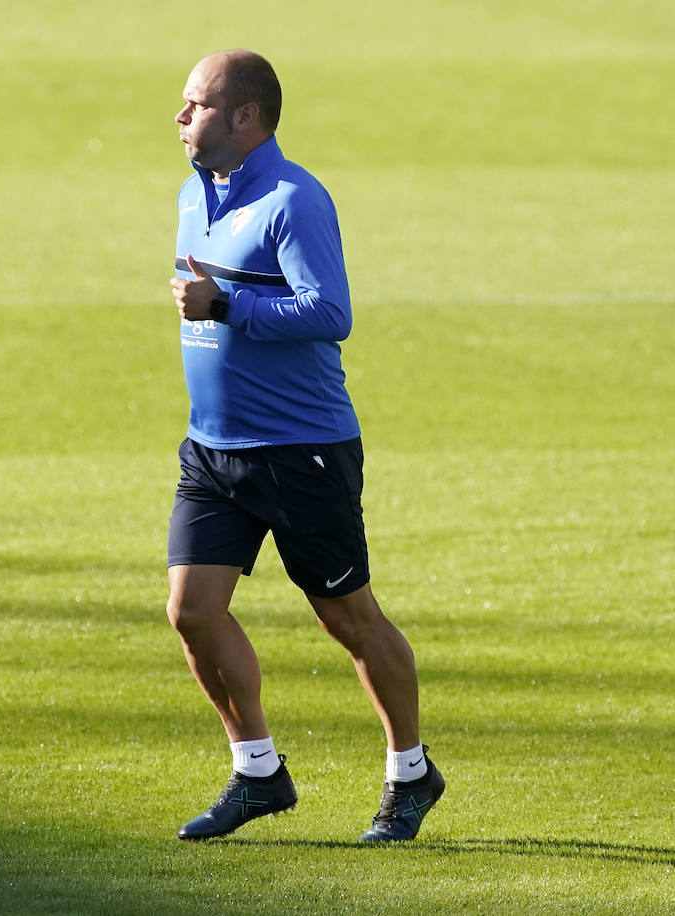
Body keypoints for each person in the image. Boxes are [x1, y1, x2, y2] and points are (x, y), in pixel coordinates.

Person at [165, 49, 444, 843]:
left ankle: (411, 773)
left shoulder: (295, 200)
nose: (182, 117)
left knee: (349, 618)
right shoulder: (194, 194)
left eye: (198, 104)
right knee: (191, 611)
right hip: (212, 449)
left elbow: (331, 313)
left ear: (245, 117)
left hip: (302, 449)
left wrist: (228, 309)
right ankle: (258, 772)